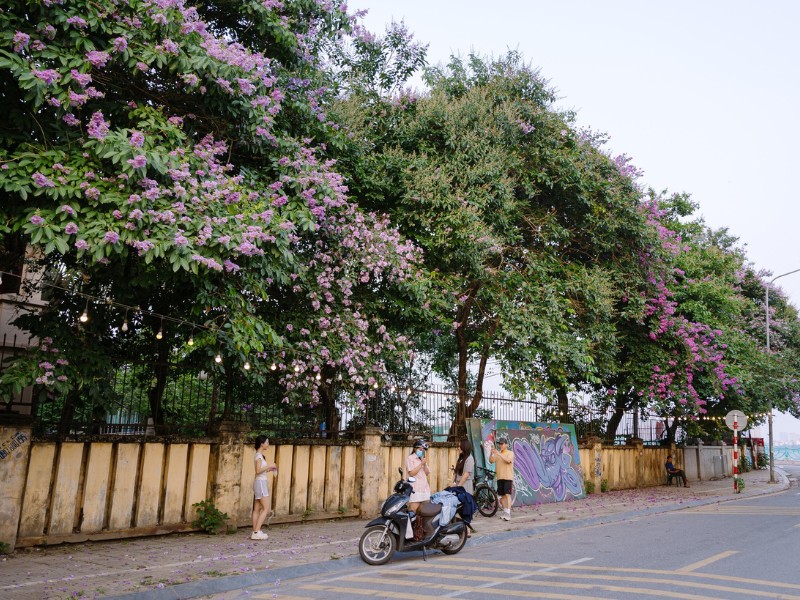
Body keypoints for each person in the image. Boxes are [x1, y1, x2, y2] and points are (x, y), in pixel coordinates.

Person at [251, 435, 278, 540]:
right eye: (267, 442)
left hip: (259, 482)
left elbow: (260, 471)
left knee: (257, 509)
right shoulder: (258, 456)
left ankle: (255, 531)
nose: (268, 444)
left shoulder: (259, 455)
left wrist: (269, 469)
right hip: (261, 483)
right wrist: (269, 465)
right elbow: (257, 471)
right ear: (262, 444)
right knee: (266, 508)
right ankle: (257, 531)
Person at [489, 436, 515, 520]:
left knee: (507, 494)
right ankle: (505, 512)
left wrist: (499, 454)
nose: (500, 445)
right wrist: (491, 452)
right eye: (499, 444)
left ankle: (508, 513)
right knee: (502, 496)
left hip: (507, 477)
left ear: (506, 445)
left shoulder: (510, 453)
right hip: (499, 477)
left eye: (502, 444)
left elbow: (508, 460)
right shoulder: (497, 454)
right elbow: (491, 460)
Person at [405, 439, 431, 514]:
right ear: (415, 449)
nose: (422, 451)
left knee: (424, 513)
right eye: (420, 449)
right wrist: (421, 464)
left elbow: (427, 473)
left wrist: (424, 463)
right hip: (415, 490)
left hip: (424, 489)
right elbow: (411, 473)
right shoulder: (410, 458)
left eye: (423, 450)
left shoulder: (422, 459)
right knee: (414, 512)